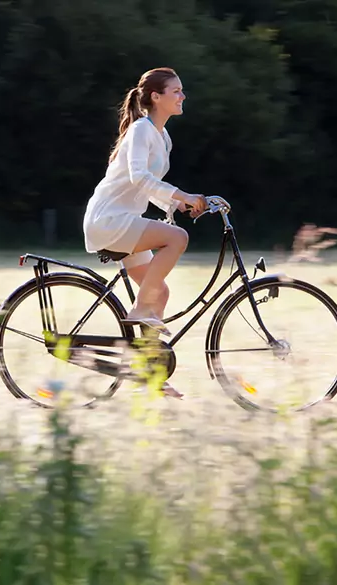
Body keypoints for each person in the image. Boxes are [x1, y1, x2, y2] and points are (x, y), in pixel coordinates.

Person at [82, 67, 208, 399]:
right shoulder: (141, 130)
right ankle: (138, 309)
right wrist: (181, 195)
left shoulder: (162, 136)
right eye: (176, 91)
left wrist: (176, 205)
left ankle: (152, 374)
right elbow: (139, 177)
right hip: (108, 219)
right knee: (177, 239)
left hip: (124, 219)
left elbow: (148, 189)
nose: (183, 96)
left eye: (182, 91)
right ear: (156, 97)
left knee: (160, 294)